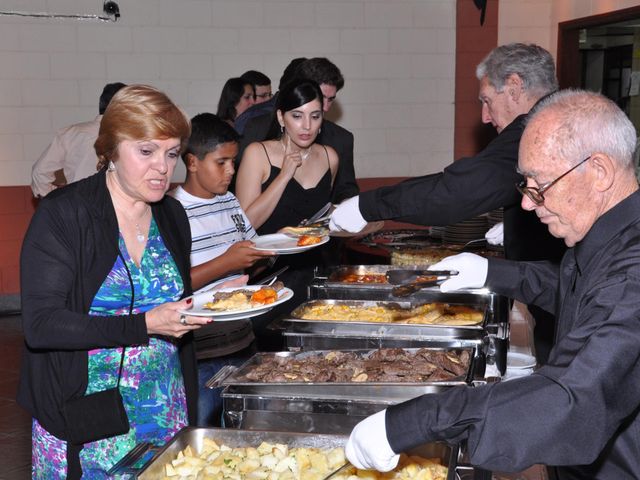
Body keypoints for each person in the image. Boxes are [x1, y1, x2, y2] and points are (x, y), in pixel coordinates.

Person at [345, 89, 640, 479]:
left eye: (539, 185)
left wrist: (411, 423)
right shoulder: (611, 237)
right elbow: (577, 293)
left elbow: (574, 398)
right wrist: (489, 272)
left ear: (599, 172)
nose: (528, 204)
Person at [329, 43, 567, 362]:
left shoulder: (538, 128)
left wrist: (367, 205)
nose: (484, 117)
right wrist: (519, 220)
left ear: (513, 86)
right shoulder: (563, 114)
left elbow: (458, 190)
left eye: (486, 101)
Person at [18, 84, 209, 479]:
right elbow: (41, 326)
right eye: (146, 151)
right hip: (85, 414)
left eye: (171, 153)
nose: (163, 166)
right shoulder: (65, 215)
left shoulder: (173, 217)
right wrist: (143, 325)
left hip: (163, 406)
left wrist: (213, 298)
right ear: (111, 149)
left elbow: (171, 305)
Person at [169, 112, 274, 425]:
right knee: (204, 432)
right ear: (192, 162)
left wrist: (268, 256)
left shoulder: (228, 201)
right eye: (221, 162)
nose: (231, 171)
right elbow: (174, 285)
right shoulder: (173, 211)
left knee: (249, 429)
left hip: (241, 341)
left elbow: (249, 253)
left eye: (234, 161)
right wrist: (226, 262)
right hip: (201, 352)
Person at [235, 78, 339, 349]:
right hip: (273, 279)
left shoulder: (330, 156)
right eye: (297, 116)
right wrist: (284, 176)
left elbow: (322, 218)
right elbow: (246, 224)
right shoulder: (258, 153)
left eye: (314, 116)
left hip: (318, 275)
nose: (307, 126)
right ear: (281, 117)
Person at [239, 57, 359, 204]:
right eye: (321, 97)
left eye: (331, 99)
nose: (326, 107)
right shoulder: (257, 128)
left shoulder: (340, 139)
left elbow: (345, 190)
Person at [31, 82, 127, 198]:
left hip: (77, 206)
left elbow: (40, 172)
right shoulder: (132, 137)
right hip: (117, 208)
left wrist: (57, 203)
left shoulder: (71, 133)